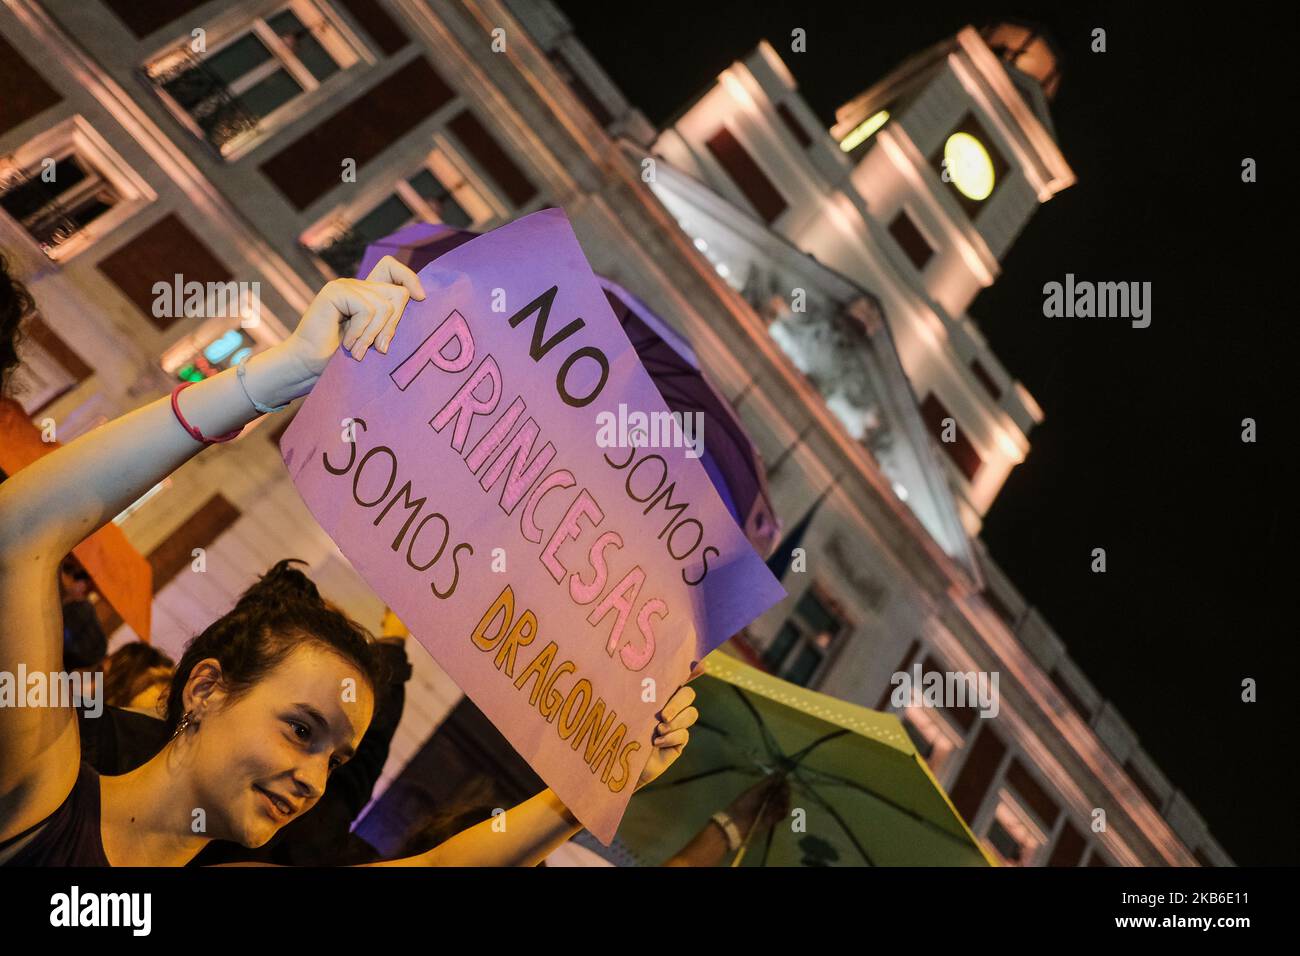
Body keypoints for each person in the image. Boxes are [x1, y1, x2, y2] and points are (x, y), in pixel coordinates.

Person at [0, 256, 698, 866]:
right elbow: (26, 524)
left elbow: (443, 869)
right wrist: (277, 377)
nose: (313, 781)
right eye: (302, 731)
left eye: (335, 761)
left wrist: (601, 781)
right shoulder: (38, 793)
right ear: (206, 689)